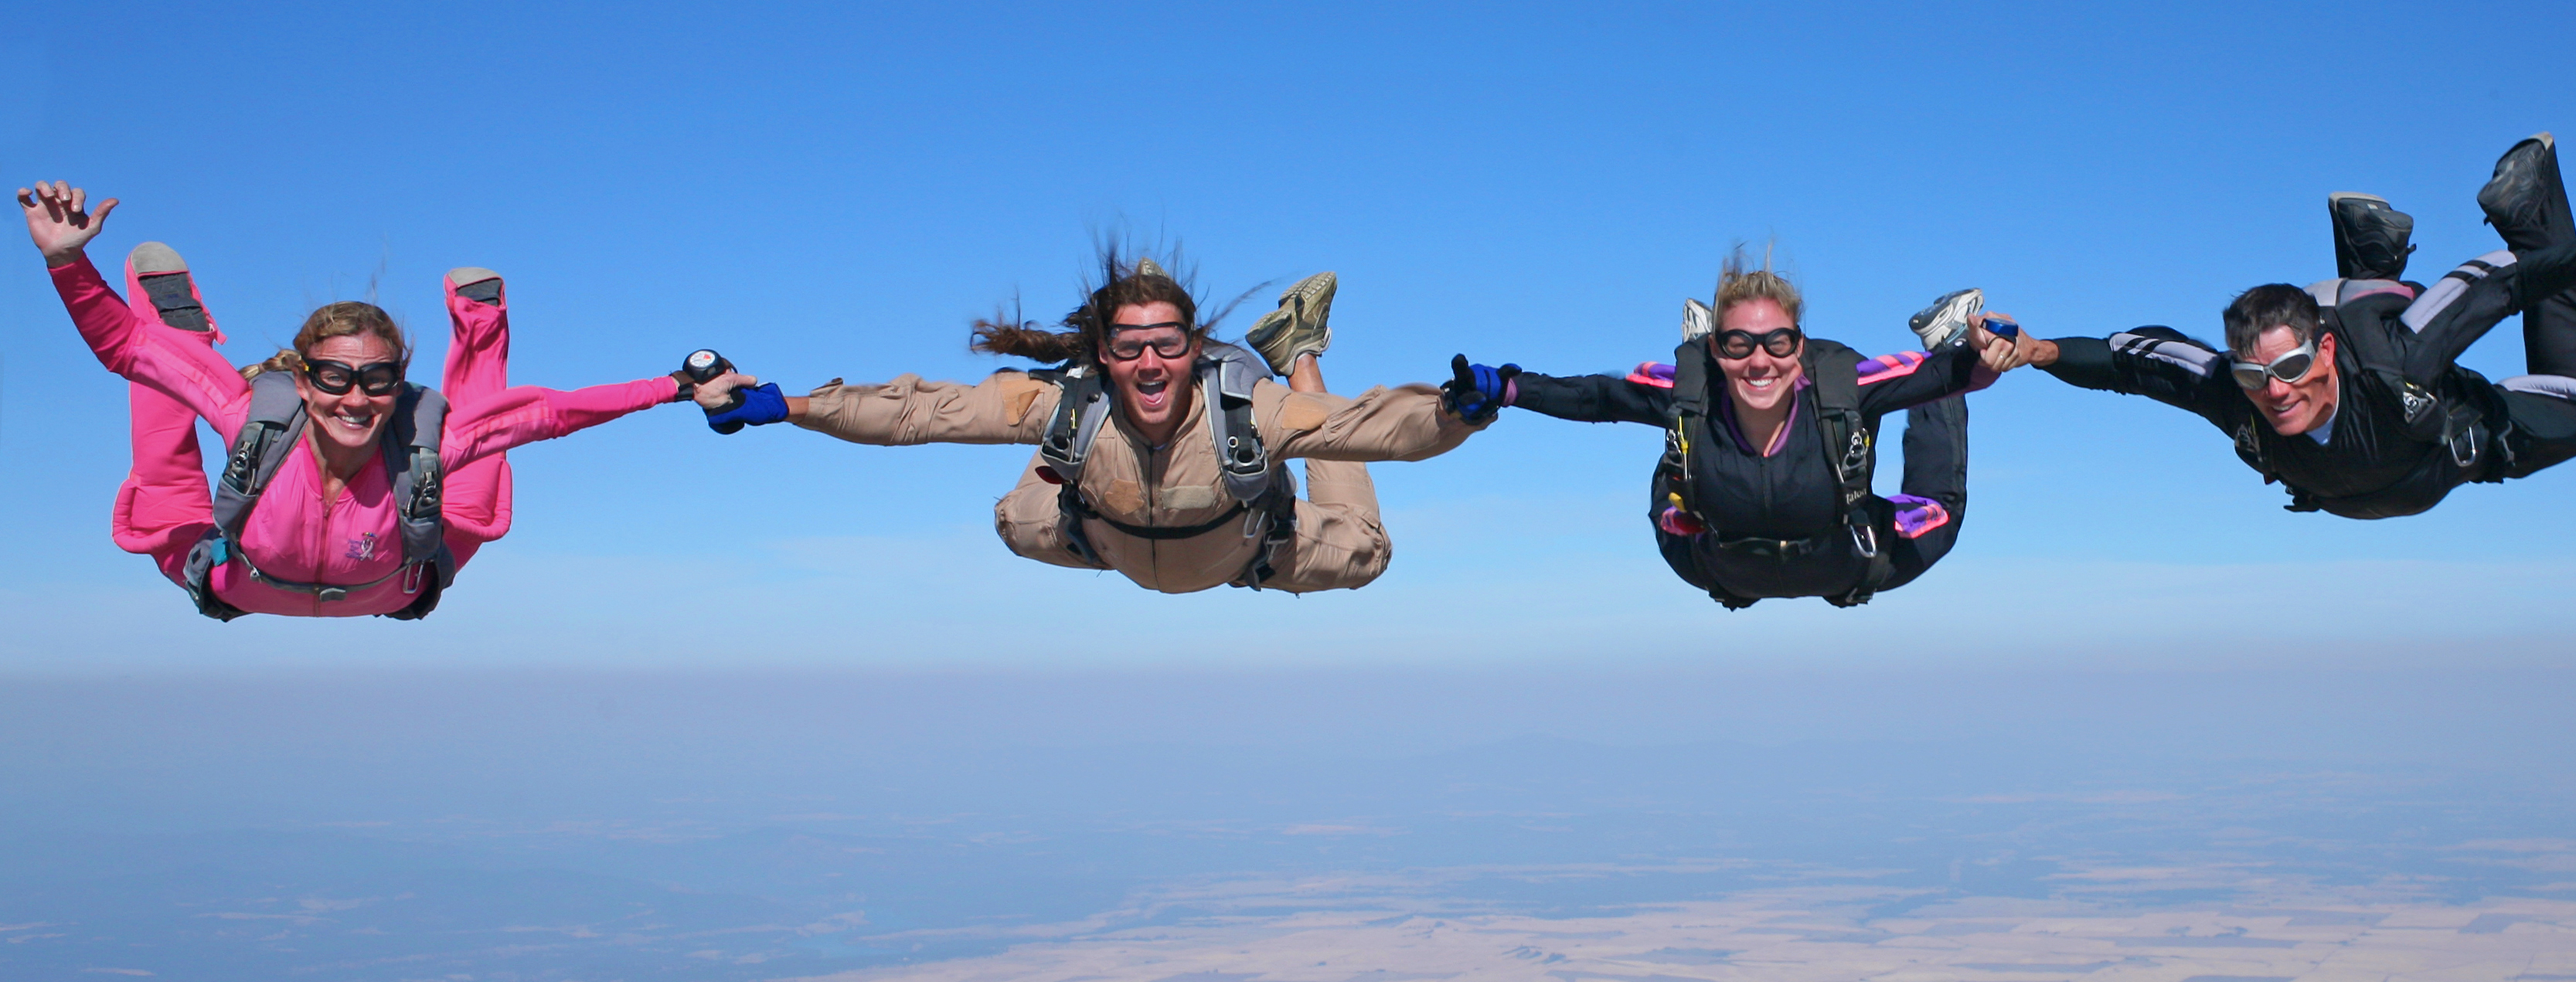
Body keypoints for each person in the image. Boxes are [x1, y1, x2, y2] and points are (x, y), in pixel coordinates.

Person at [20, 181, 700, 619]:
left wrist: (678, 387)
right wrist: (66, 261)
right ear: (305, 380)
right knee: (166, 459)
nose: (356, 398)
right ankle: (173, 327)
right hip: (241, 581)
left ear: (396, 380)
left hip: (397, 581)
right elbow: (121, 351)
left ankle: (481, 325)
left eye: (378, 381)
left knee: (473, 463)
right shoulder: (259, 421)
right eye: (336, 379)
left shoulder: (420, 440)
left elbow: (552, 412)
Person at [689, 252, 1485, 593]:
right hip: (1094, 535)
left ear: (1195, 348)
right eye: (1127, 347)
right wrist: (790, 407)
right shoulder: (1062, 401)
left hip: (1247, 552)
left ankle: (1299, 349)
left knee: (1364, 547)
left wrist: (1454, 412)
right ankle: (1073, 450)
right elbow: (921, 409)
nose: (1148, 363)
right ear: (1104, 353)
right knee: (1014, 513)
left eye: (1167, 345)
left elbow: (1379, 426)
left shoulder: (1248, 411)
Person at [2026, 138, 2576, 518]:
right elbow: (2128, 364)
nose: (2274, 392)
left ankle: (2527, 203)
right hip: (2370, 398)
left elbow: (2508, 286)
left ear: (2321, 351)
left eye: (2290, 370)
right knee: (2361, 319)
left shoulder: (2401, 361)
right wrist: (2036, 351)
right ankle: (2371, 249)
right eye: (2253, 376)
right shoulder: (2233, 391)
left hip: (2425, 409)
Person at [1443, 255, 2034, 610]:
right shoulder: (1693, 390)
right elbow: (1597, 396)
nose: (1760, 361)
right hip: (1718, 562)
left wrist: (1981, 354)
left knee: (1939, 506)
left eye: (1777, 343)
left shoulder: (1840, 387)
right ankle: (1691, 380)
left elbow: (1941, 379)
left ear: (1799, 348)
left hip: (1848, 558)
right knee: (1680, 423)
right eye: (1736, 344)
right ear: (1719, 351)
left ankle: (1945, 330)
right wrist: (1508, 389)